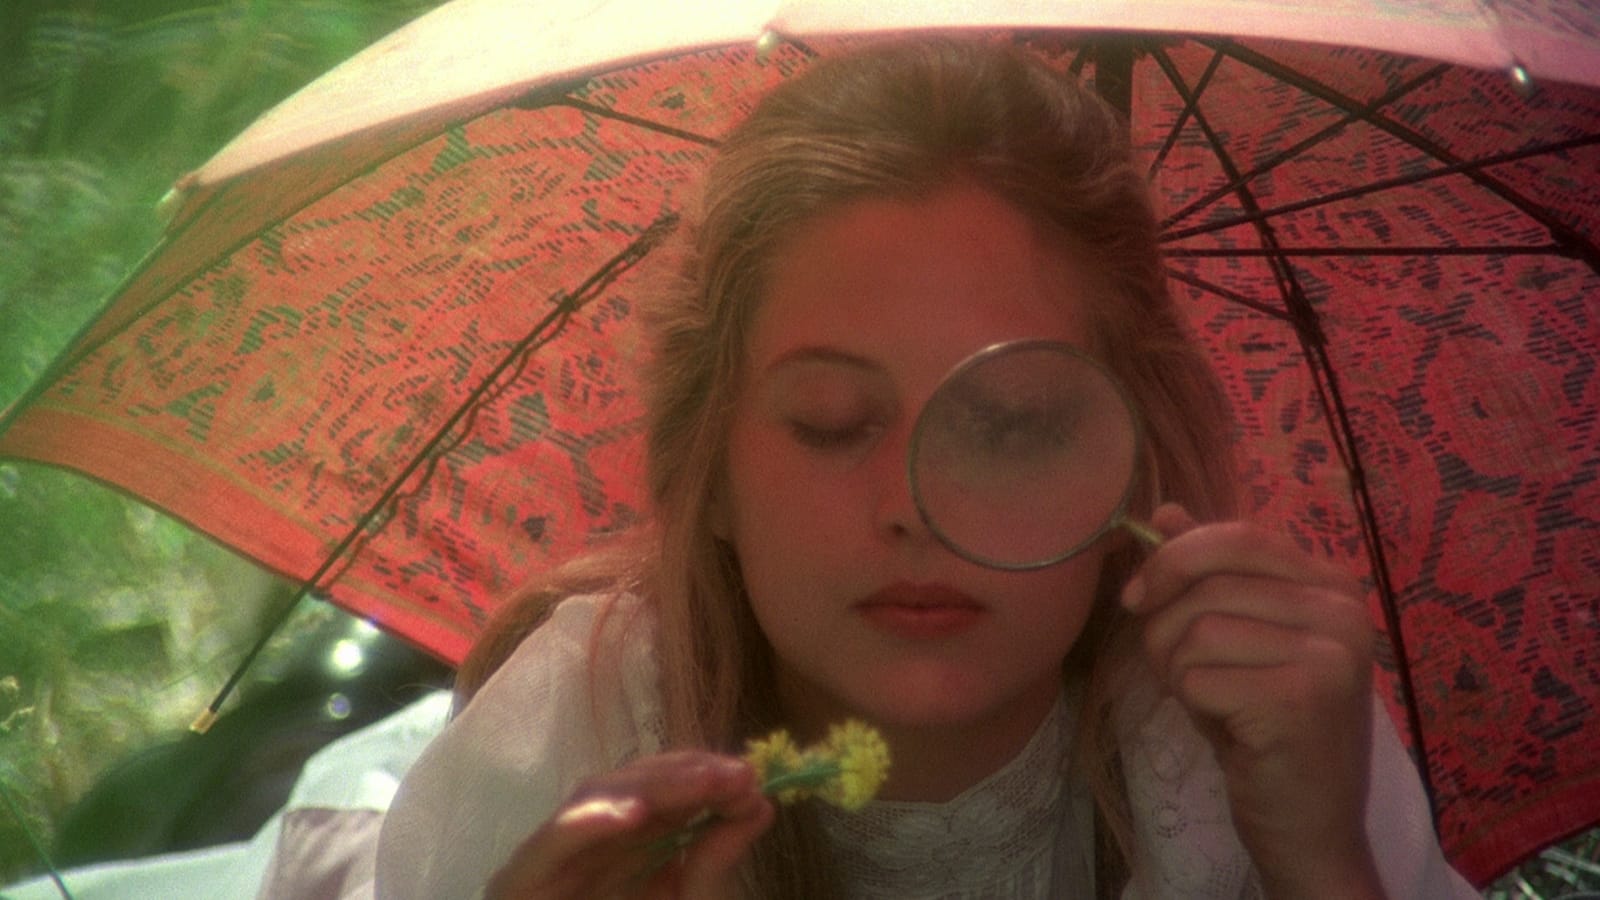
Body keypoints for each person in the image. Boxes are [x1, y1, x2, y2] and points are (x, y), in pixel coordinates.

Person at [369, 38, 1477, 899]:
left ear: (1130, 469)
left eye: (1014, 423)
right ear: (707, 474)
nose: (913, 509)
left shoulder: (1260, 727)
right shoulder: (570, 740)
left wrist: (1323, 868)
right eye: (833, 421)